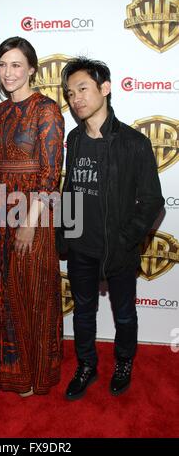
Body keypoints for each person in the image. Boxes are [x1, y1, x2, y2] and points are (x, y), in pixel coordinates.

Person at [58, 56, 164, 400]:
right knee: (83, 314)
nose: (77, 98)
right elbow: (70, 190)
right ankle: (86, 366)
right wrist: (65, 235)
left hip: (119, 250)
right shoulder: (73, 139)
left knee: (124, 315)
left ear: (105, 88)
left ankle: (123, 363)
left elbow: (152, 201)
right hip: (81, 248)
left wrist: (125, 240)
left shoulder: (134, 142)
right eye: (70, 92)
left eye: (83, 88)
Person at [0, 36, 64, 396]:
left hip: (33, 212)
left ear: (32, 69)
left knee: (30, 289)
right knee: (0, 288)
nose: (8, 72)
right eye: (2, 64)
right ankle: (9, 363)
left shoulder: (47, 109)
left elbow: (51, 172)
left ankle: (33, 371)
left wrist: (29, 221)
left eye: (16, 65)